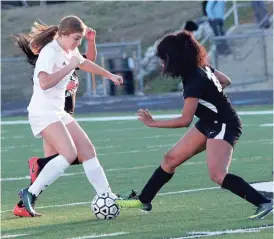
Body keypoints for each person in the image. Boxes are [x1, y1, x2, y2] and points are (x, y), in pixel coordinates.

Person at [116, 30, 273, 220]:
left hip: (224, 124)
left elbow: (185, 120)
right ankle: (144, 199)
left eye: (164, 59)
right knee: (170, 159)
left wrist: (153, 123)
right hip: (210, 122)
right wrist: (212, 95)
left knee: (217, 174)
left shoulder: (193, 80)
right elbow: (225, 81)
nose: (163, 64)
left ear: (175, 58)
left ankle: (264, 202)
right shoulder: (202, 69)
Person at [14, 15, 123, 217]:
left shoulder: (68, 49)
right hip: (43, 111)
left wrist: (109, 75)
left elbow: (85, 63)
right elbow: (45, 83)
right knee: (69, 154)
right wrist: (69, 66)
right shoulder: (50, 52)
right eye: (75, 38)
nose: (78, 43)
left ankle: (106, 195)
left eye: (79, 39)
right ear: (63, 35)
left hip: (57, 111)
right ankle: (30, 192)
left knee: (88, 150)